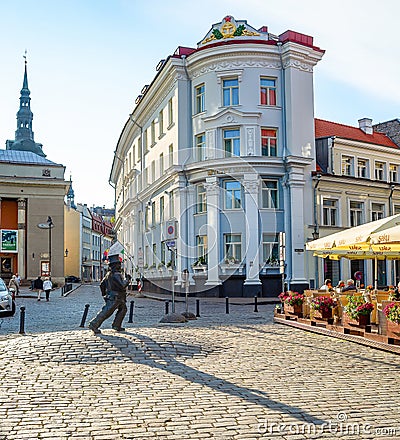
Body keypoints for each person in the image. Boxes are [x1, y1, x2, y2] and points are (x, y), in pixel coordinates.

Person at [88, 254, 131, 334]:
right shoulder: (116, 275)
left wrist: (104, 294)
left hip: (117, 297)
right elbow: (122, 285)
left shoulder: (108, 274)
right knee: (106, 312)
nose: (120, 265)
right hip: (116, 297)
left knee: (123, 309)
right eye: (119, 264)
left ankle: (116, 325)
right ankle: (94, 324)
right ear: (115, 265)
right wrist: (127, 280)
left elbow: (102, 285)